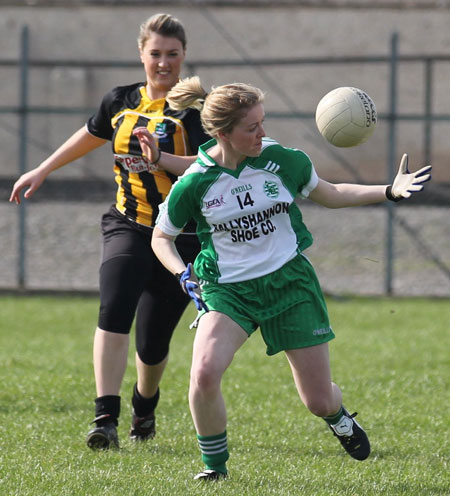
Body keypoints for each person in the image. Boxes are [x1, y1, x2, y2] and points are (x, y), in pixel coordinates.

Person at [144, 76, 432, 480]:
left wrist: (388, 190)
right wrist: (182, 274)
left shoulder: (283, 160)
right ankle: (215, 468)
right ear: (223, 133)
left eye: (263, 121)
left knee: (317, 401)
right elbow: (162, 237)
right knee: (205, 372)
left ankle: (339, 417)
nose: (263, 132)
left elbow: (330, 194)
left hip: (289, 285)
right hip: (227, 291)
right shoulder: (195, 183)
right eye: (252, 127)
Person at [9, 14, 210, 449]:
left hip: (179, 237)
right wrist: (42, 168)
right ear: (141, 54)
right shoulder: (120, 100)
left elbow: (212, 164)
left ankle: (145, 403)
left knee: (152, 346)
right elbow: (91, 133)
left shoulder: (193, 112)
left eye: (172, 55)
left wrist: (162, 160)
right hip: (128, 224)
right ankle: (105, 418)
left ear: (184, 57)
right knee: (114, 309)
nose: (163, 63)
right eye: (155, 54)